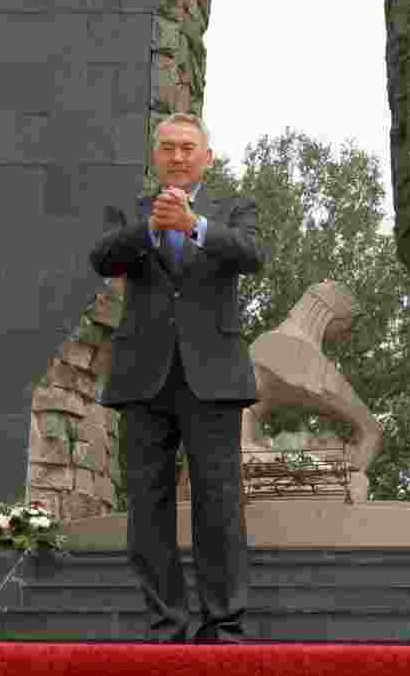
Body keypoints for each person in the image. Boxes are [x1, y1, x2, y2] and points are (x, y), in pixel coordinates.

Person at [88, 114, 266, 644]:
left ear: (207, 156)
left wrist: (193, 226)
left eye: (189, 147)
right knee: (148, 508)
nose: (179, 156)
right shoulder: (129, 213)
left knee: (218, 504)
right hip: (143, 380)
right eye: (168, 148)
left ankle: (224, 626)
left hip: (213, 379)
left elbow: (252, 256)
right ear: (156, 156)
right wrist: (153, 228)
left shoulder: (233, 209)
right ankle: (167, 625)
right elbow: (102, 256)